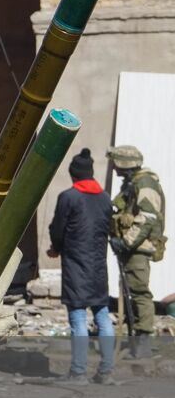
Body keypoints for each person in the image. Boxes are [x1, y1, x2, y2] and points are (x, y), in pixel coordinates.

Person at [46, 148, 115, 383]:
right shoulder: (105, 198)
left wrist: (55, 248)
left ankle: (78, 371)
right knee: (102, 315)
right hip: (98, 267)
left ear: (74, 175)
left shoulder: (69, 197)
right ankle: (106, 370)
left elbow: (58, 228)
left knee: (77, 317)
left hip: (76, 265)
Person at [108, 144, 166, 359]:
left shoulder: (145, 183)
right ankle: (135, 338)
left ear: (125, 164)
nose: (114, 168)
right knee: (130, 291)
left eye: (116, 163)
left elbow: (148, 219)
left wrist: (127, 242)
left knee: (140, 292)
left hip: (138, 249)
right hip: (131, 247)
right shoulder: (132, 183)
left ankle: (143, 340)